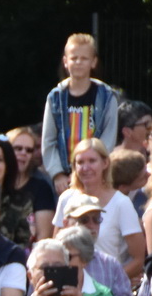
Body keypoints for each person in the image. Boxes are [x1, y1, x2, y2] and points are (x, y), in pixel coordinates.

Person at [56, 140, 146, 282]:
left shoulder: (121, 203)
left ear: (105, 163)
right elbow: (55, 247)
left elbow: (138, 259)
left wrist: (108, 282)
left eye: (92, 161)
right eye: (80, 162)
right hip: (70, 286)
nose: (86, 167)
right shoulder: (66, 198)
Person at [41, 33, 120, 191]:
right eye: (74, 58)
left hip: (95, 173)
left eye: (84, 58)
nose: (78, 62)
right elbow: (48, 140)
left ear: (93, 62)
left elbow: (108, 137)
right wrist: (57, 174)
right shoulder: (55, 97)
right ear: (65, 62)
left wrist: (91, 168)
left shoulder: (106, 96)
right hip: (64, 176)